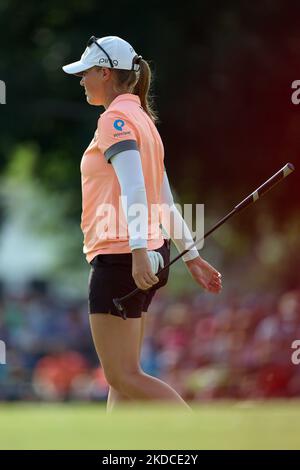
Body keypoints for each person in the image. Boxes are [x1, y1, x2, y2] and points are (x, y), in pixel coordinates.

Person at [62, 35, 222, 412]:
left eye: (86, 73)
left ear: (104, 73)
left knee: (123, 377)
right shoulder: (143, 122)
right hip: (147, 254)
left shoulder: (114, 120)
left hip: (122, 257)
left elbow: (136, 188)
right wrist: (191, 255)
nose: (81, 80)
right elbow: (164, 198)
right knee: (122, 383)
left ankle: (200, 437)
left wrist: (136, 252)